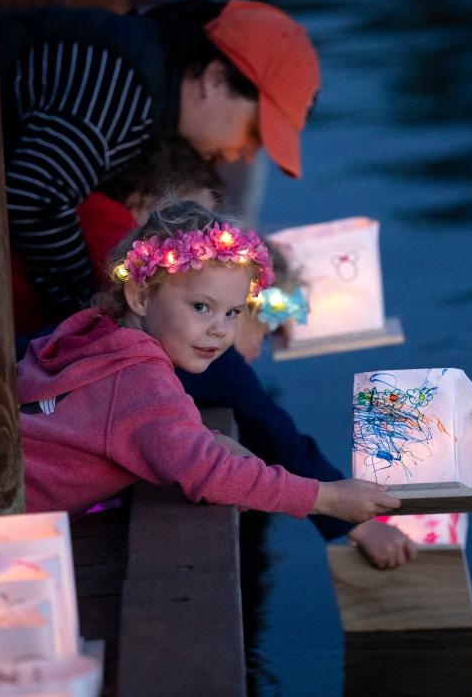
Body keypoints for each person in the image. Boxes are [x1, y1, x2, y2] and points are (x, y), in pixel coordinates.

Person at [17, 202, 398, 526]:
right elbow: (209, 474)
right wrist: (327, 498)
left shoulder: (97, 334)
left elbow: (133, 425)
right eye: (201, 307)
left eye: (233, 313)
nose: (219, 330)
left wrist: (209, 440)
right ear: (140, 297)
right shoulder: (139, 379)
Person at [0, 0, 320, 326]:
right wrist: (95, 316)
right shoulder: (122, 91)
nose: (246, 154)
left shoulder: (144, 73)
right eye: (254, 132)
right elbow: (34, 198)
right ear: (215, 80)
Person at [177, 243, 418, 569]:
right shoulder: (223, 364)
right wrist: (360, 524)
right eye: (263, 335)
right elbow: (277, 434)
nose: (259, 352)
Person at [10, 133, 222, 344]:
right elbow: (118, 276)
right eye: (182, 215)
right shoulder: (111, 219)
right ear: (142, 199)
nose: (191, 237)